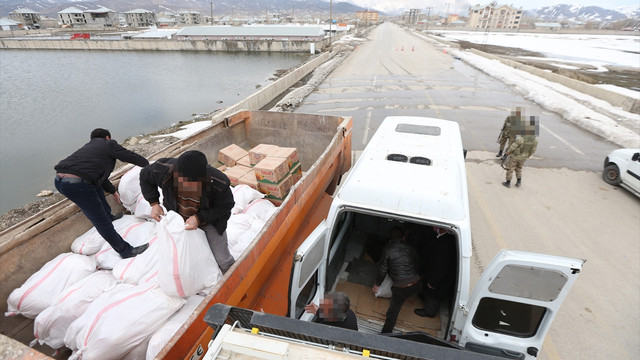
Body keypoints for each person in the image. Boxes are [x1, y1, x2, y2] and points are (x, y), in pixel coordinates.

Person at [54, 128, 150, 259]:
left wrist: (112, 191)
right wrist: (147, 165)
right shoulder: (108, 144)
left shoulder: (88, 149)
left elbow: (99, 178)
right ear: (107, 137)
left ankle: (109, 216)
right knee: (100, 221)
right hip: (78, 183)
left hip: (60, 181)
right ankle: (126, 251)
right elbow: (128, 155)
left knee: (95, 186)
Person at [139, 150, 236, 273]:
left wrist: (199, 218)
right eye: (182, 180)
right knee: (186, 258)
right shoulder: (164, 170)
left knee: (223, 260)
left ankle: (233, 277)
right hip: (179, 220)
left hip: (209, 221)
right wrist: (154, 203)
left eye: (192, 183)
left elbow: (226, 205)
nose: (185, 185)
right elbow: (144, 176)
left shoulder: (217, 182)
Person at [372, 227, 422, 334]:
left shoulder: (387, 249)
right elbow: (417, 264)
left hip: (401, 287)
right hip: (417, 284)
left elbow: (382, 270)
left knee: (393, 311)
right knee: (403, 293)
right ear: (403, 237)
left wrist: (377, 284)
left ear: (390, 238)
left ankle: (386, 334)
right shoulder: (410, 248)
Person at [414, 226, 456, 318]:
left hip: (438, 276)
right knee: (429, 290)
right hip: (434, 271)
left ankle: (430, 311)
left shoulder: (444, 244)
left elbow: (441, 266)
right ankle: (426, 299)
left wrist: (433, 281)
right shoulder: (445, 239)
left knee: (433, 292)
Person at [502, 119, 539, 188]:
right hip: (524, 157)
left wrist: (506, 154)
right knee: (519, 168)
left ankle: (508, 183)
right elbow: (533, 150)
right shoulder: (535, 140)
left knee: (510, 169)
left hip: (515, 157)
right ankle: (519, 182)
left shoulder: (520, 139)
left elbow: (512, 148)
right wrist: (528, 155)